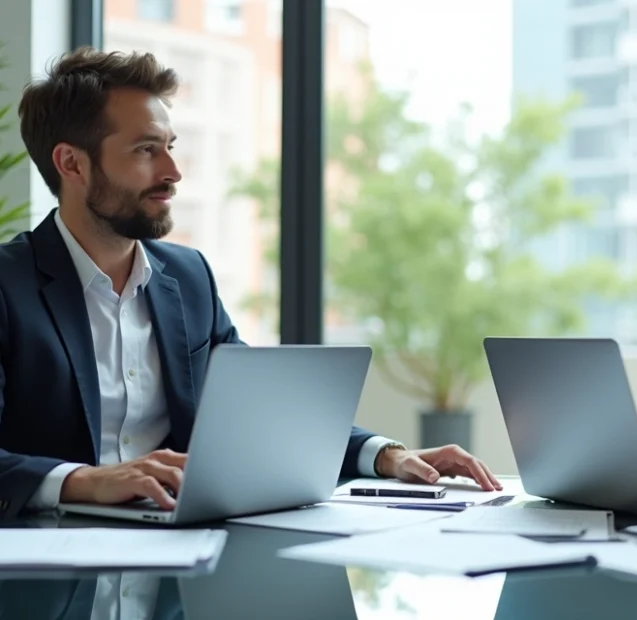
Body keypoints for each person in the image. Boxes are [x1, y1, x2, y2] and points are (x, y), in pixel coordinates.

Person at [0, 46, 500, 521]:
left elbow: (258, 414)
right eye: (146, 150)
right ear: (72, 163)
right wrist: (84, 481)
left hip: (178, 564)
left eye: (170, 147)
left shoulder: (187, 277)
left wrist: (384, 455)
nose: (174, 172)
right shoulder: (8, 285)